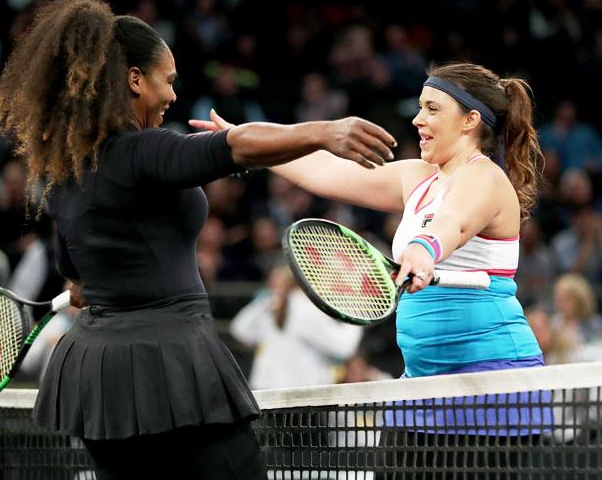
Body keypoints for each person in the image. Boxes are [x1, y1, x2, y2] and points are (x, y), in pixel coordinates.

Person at [0, 0, 395, 480]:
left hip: (96, 373)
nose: (173, 95)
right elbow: (234, 148)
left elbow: (74, 277)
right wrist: (324, 131)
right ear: (135, 79)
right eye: (169, 80)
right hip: (168, 362)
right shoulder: (143, 151)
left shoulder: (65, 173)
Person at [191, 62, 549, 475]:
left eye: (432, 109)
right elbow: (322, 170)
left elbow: (454, 221)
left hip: (492, 395)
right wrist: (240, 140)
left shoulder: (485, 178)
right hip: (420, 391)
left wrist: (422, 249)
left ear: (470, 121)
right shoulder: (418, 179)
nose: (418, 119)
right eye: (420, 107)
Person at [229, 263, 363, 389]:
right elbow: (344, 348)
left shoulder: (294, 306)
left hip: (273, 394)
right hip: (296, 399)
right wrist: (357, 314)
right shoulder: (301, 307)